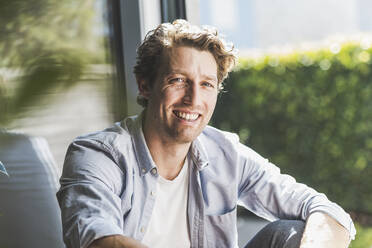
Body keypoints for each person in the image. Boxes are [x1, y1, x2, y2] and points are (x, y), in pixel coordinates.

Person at [57, 20, 356, 248]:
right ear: (145, 85)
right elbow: (97, 238)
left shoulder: (224, 152)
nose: (193, 99)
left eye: (207, 85)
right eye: (178, 80)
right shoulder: (98, 154)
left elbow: (325, 210)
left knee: (290, 234)